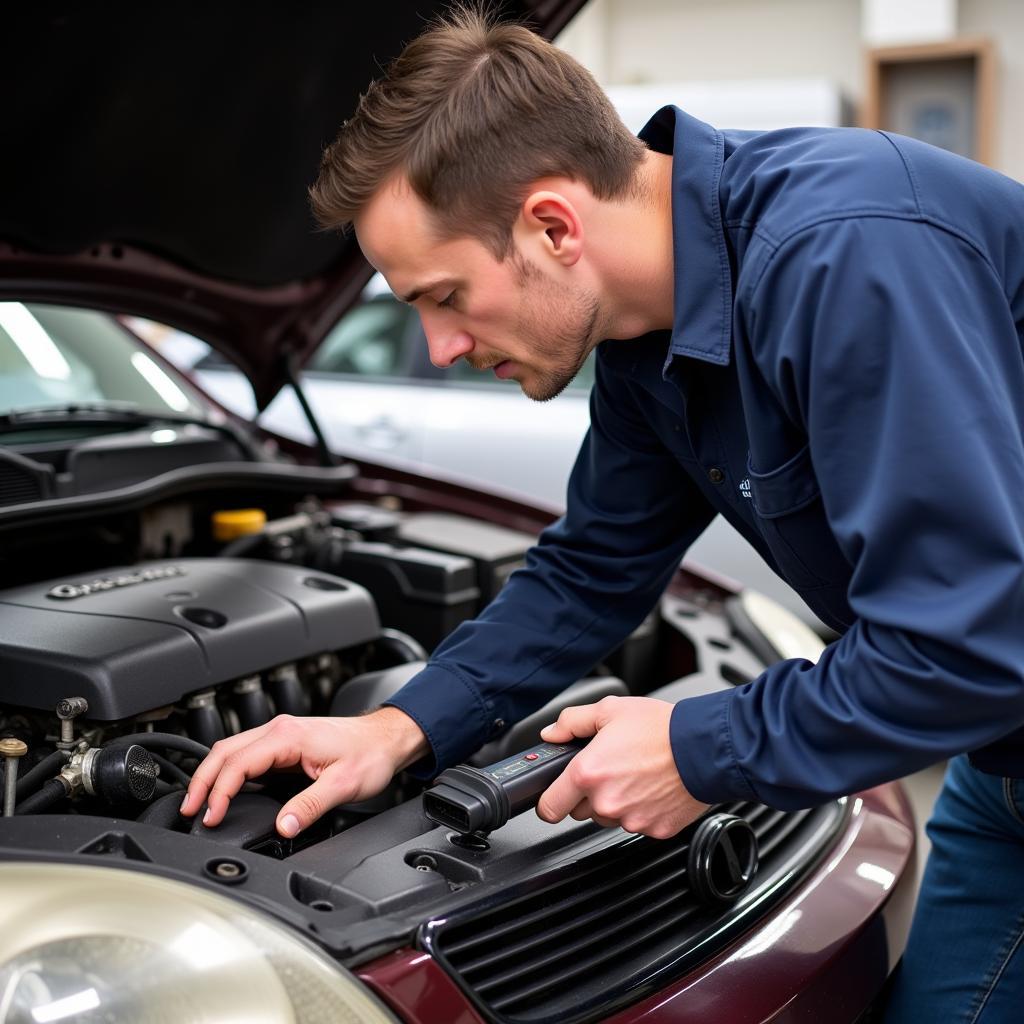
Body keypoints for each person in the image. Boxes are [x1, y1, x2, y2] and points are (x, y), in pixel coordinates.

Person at [180, 8, 1024, 1020]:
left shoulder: (844, 259)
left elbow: (972, 644)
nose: (442, 346)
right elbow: (591, 568)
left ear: (551, 226)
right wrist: (400, 729)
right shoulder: (646, 333)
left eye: (442, 296)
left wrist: (697, 748)